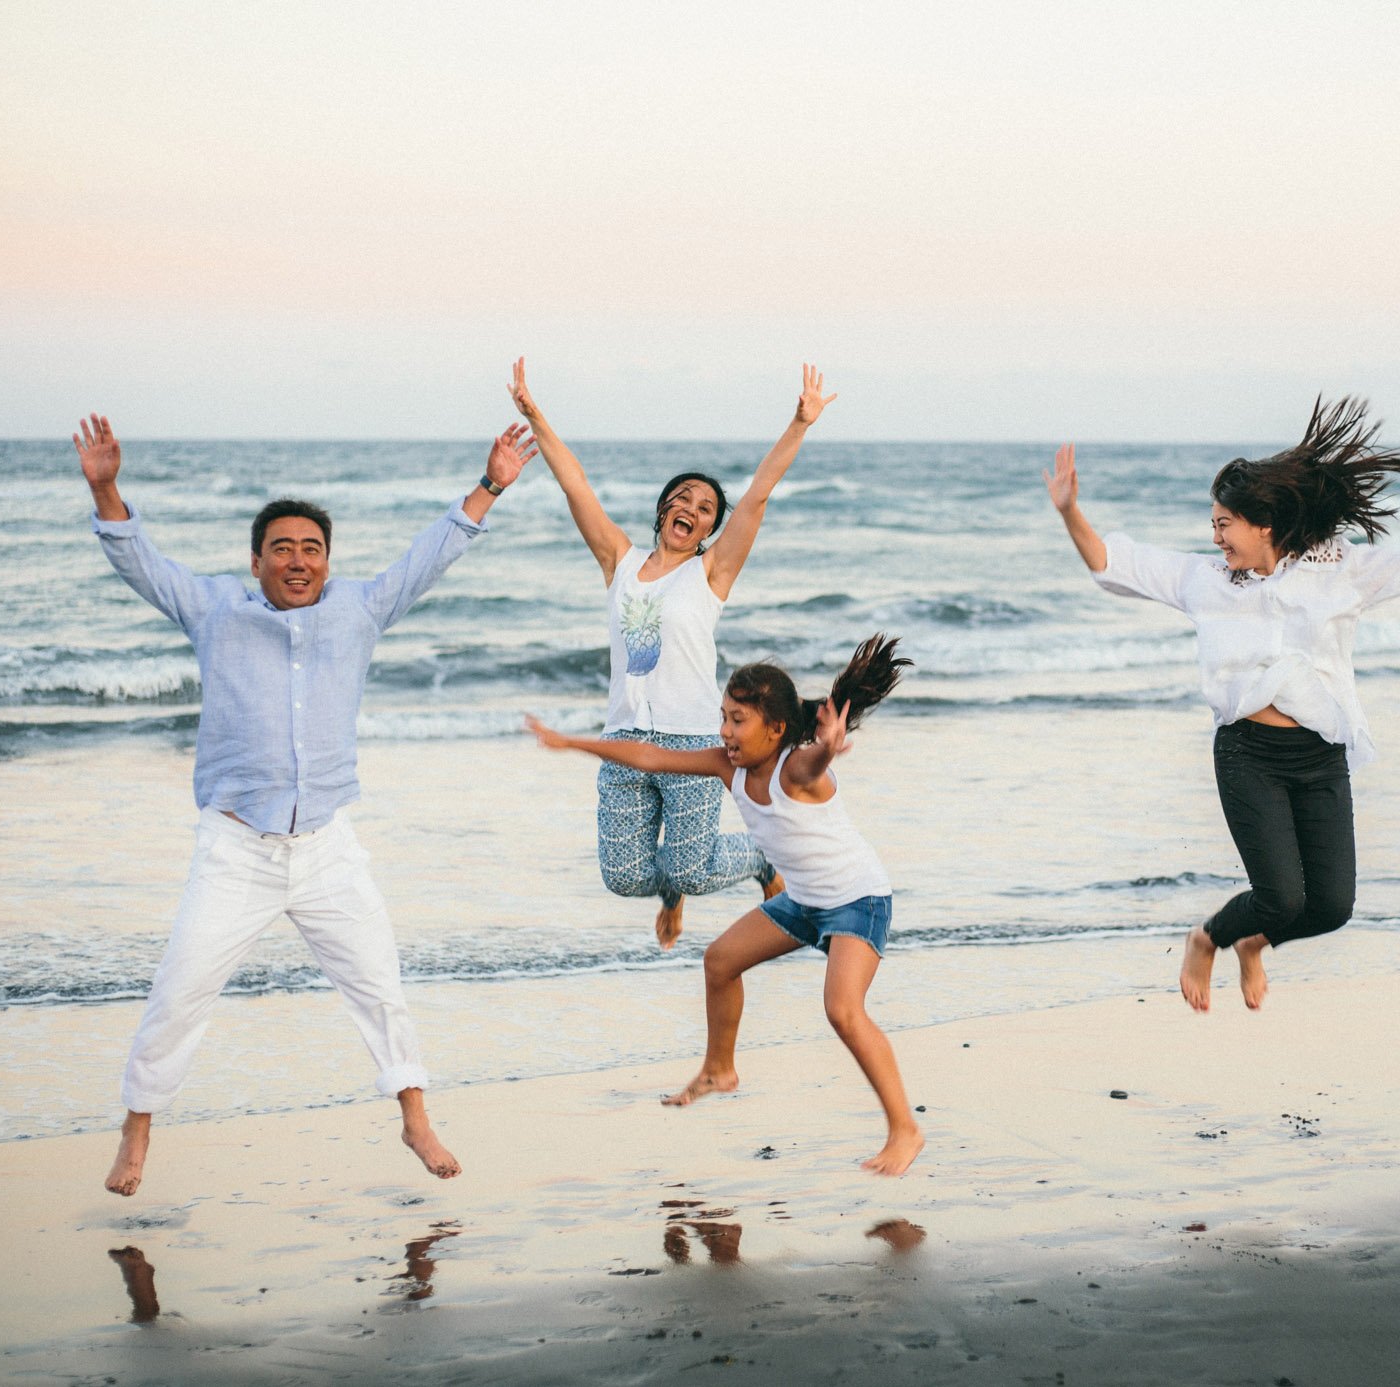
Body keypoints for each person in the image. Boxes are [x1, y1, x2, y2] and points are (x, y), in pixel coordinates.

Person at [74, 413, 538, 1196]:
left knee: (380, 985)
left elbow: (430, 557)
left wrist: (490, 484)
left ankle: (415, 1117)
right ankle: (138, 1128)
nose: (298, 559)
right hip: (235, 849)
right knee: (180, 989)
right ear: (256, 560)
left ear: (328, 562)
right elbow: (139, 560)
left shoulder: (357, 609)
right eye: (282, 547)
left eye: (312, 548)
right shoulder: (217, 609)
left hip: (325, 846)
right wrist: (106, 486)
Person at [1045, 399, 1400, 1012]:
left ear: (1264, 524)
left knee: (1330, 907)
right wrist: (1069, 511)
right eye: (1214, 524)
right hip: (1249, 755)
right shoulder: (1206, 582)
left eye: (1225, 524)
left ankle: (1254, 943)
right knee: (1280, 894)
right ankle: (1208, 938)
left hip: (1320, 756)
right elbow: (1115, 565)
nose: (1214, 536)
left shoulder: (1339, 571)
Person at [524, 635, 924, 1175]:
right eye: (724, 717)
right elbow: (651, 757)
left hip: (857, 900)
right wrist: (572, 743)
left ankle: (905, 1130)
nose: (726, 732)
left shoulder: (795, 770)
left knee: (842, 1010)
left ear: (776, 729)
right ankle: (719, 1068)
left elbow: (815, 763)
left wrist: (829, 745)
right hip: (804, 901)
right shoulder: (725, 765)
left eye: (738, 720)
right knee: (719, 961)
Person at [509, 360, 836, 949]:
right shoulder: (620, 562)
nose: (693, 507)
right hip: (625, 738)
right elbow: (575, 485)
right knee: (625, 877)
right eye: (682, 498)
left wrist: (799, 424)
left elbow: (757, 497)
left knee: (690, 865)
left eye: (706, 506)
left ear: (709, 527)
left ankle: (761, 859)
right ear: (664, 510)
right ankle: (674, 888)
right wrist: (535, 415)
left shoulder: (711, 573)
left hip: (691, 740)